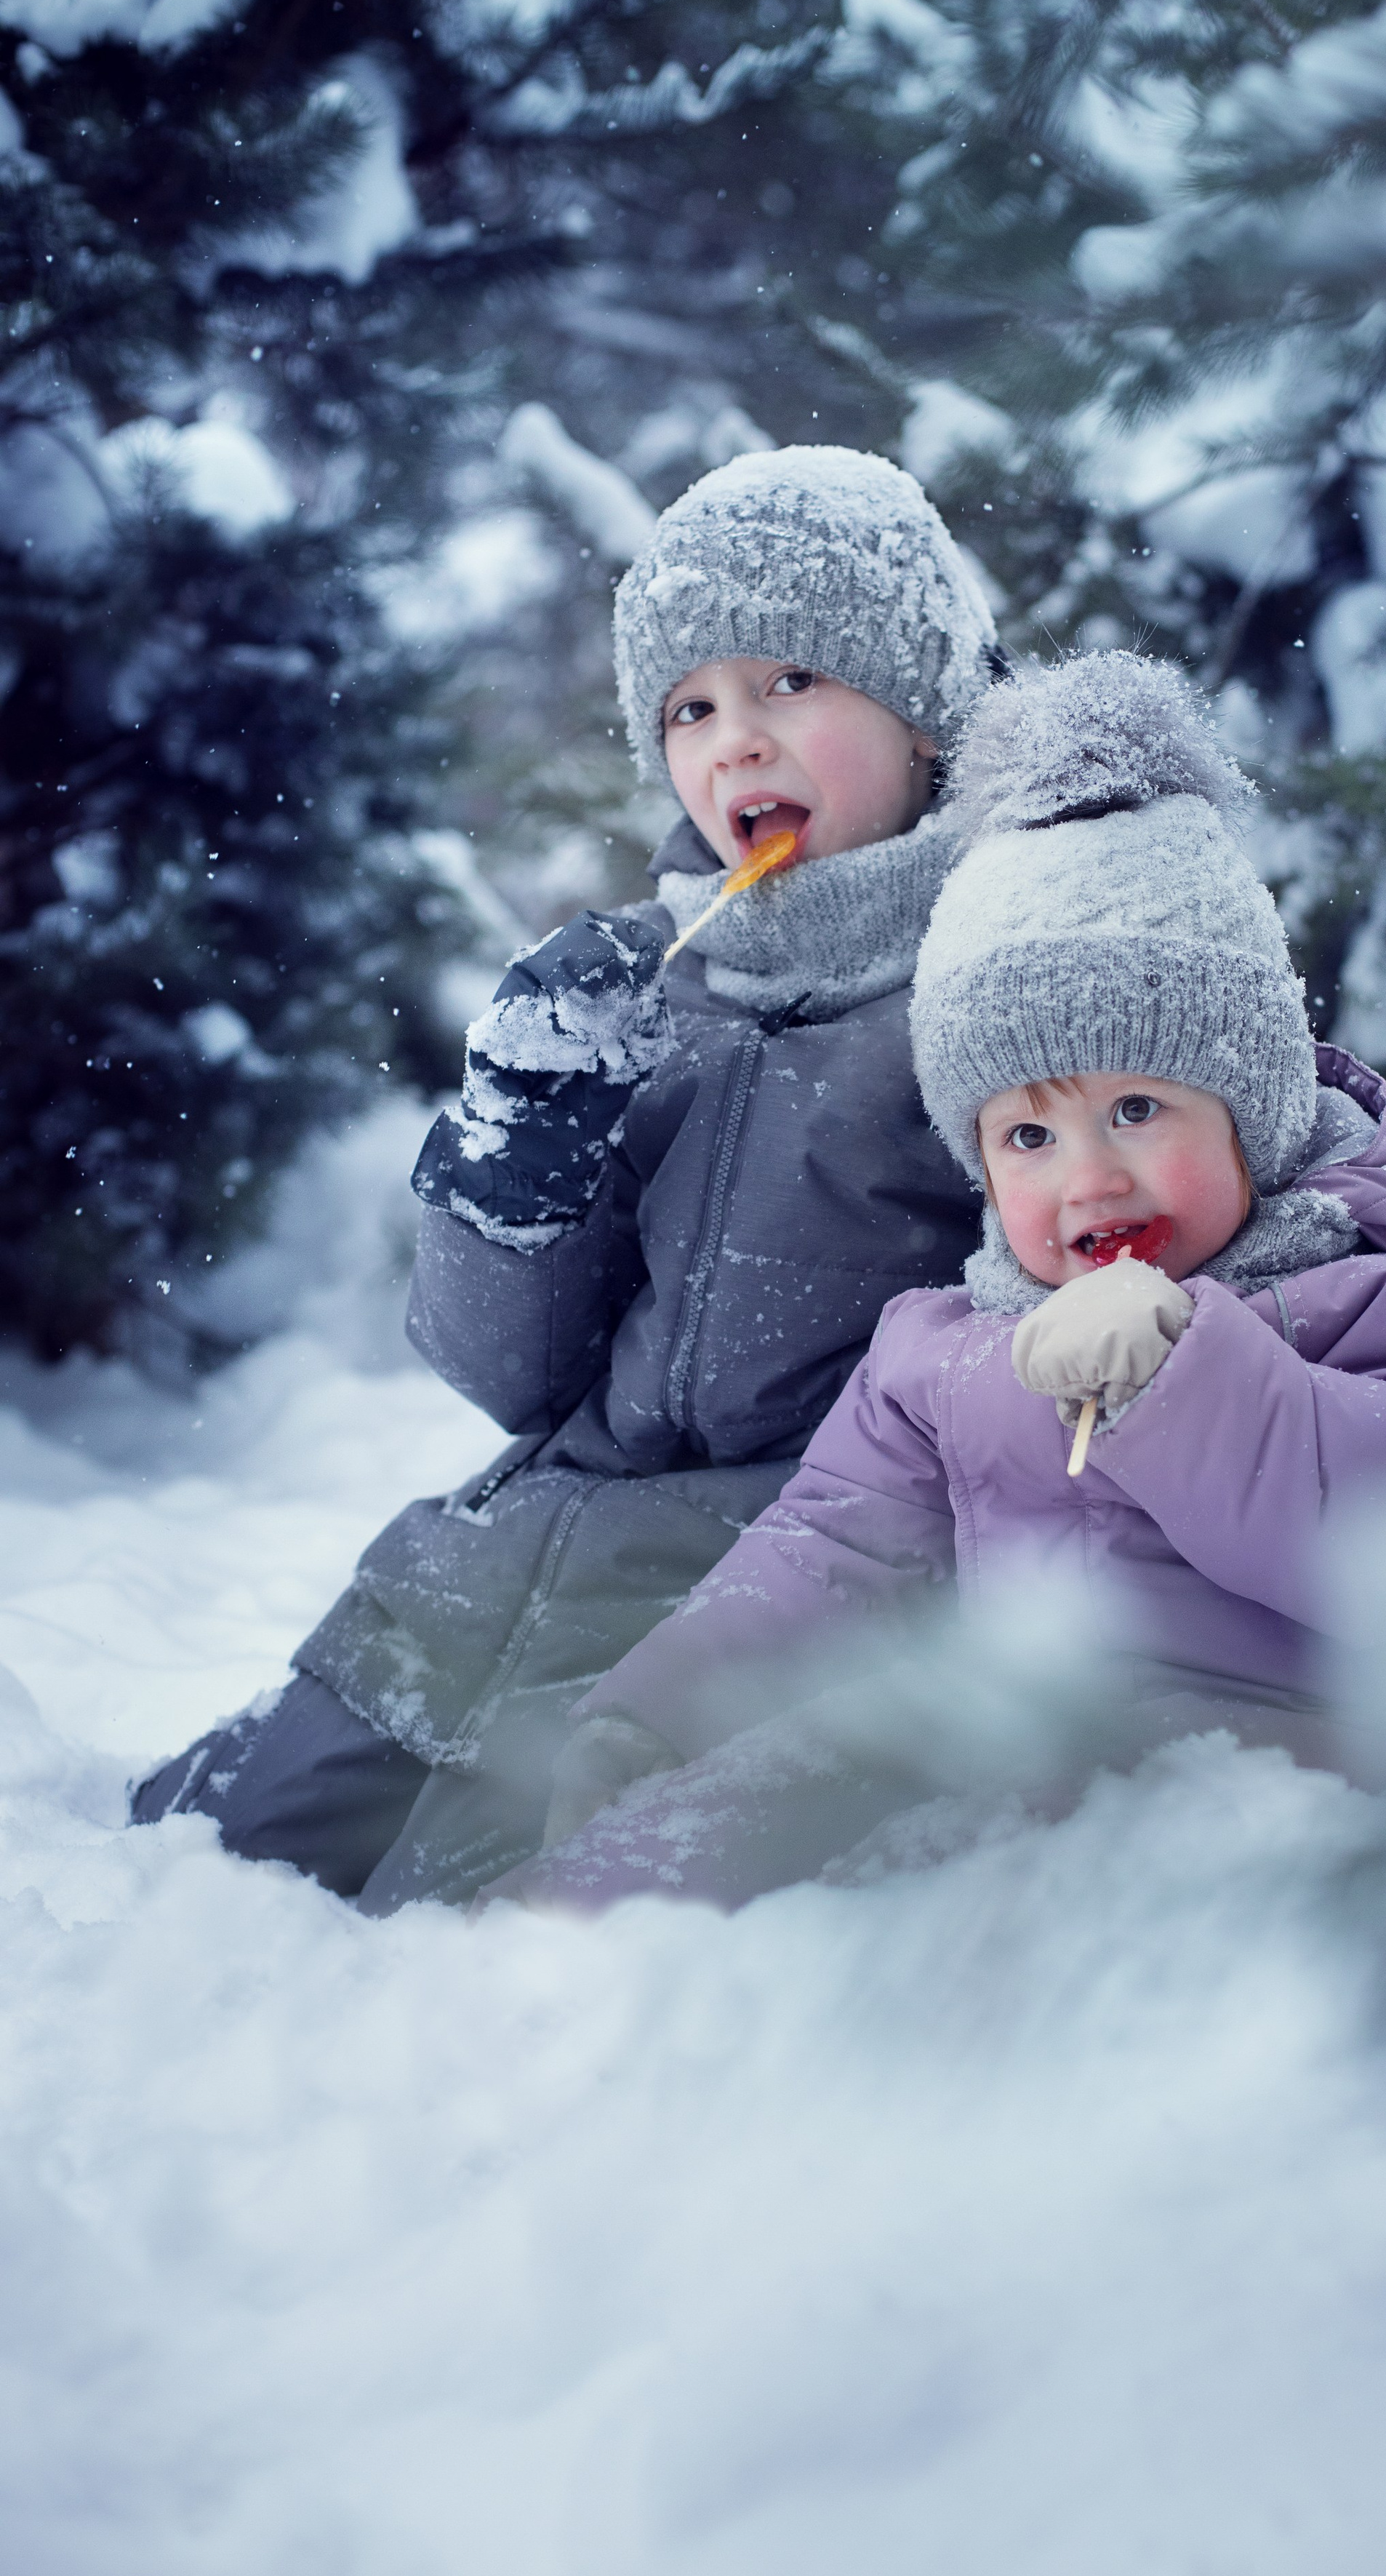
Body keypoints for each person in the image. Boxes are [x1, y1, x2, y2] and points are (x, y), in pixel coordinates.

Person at [484, 649, 1386, 1919]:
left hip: (1294, 1783)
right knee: (670, 1854)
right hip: (1019, 1757)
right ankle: (540, 1993)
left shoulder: (1354, 1302)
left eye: (1137, 1107)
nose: (1088, 1179)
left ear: (1250, 1107)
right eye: (1028, 1138)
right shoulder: (943, 1351)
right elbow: (828, 1552)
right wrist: (657, 1719)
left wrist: (1185, 1373)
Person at [129, 446, 1004, 1908]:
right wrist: (512, 1165)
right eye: (689, 708)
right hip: (511, 1559)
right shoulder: (657, 989)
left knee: (430, 1937)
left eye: (791, 681)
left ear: (923, 715)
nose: (735, 742)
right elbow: (516, 1379)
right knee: (186, 1853)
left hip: (764, 1583)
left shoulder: (991, 983)